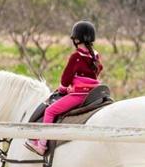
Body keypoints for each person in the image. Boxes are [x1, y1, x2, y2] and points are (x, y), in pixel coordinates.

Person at [25, 21, 104, 156]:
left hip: (79, 94)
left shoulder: (76, 57)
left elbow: (65, 79)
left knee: (50, 111)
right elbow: (97, 71)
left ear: (76, 39)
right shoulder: (95, 56)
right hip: (93, 92)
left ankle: (42, 145)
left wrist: (63, 89)